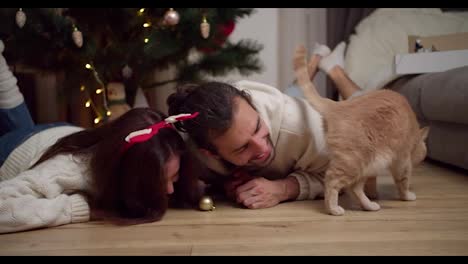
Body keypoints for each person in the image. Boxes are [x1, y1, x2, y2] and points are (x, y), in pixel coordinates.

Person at [0, 39, 200, 234]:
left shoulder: (148, 156)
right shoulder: (66, 172)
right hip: (12, 151)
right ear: (129, 174)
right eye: (160, 181)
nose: (170, 191)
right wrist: (81, 207)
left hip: (57, 134)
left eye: (173, 178)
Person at [167, 41, 367, 209]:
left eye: (257, 127)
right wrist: (226, 182)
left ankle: (334, 68)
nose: (262, 148)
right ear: (211, 153)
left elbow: (350, 174)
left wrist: (285, 188)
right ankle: (314, 61)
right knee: (289, 100)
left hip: (340, 120)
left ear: (253, 105)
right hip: (280, 107)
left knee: (365, 112)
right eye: (243, 147)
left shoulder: (306, 128)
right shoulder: (194, 152)